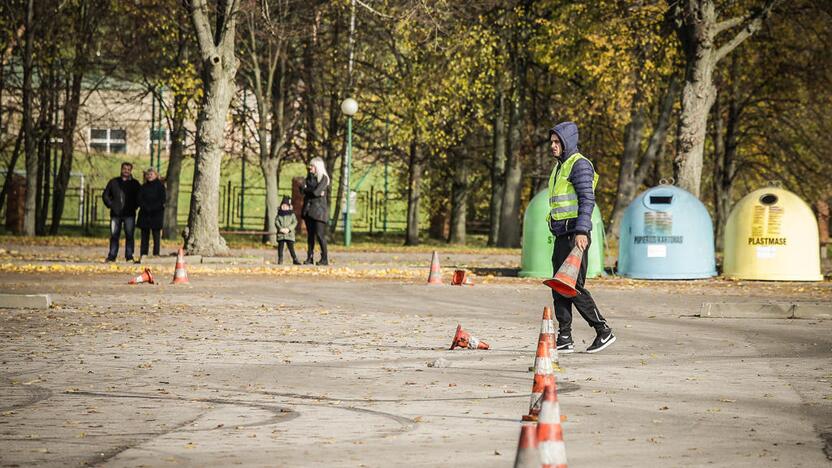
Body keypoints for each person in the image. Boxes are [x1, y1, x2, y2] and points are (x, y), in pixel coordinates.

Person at [547, 121, 615, 354]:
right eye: (552, 142)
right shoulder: (560, 167)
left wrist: (581, 231)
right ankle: (564, 336)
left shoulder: (580, 165)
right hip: (561, 235)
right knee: (559, 285)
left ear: (568, 142)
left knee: (572, 286)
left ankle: (603, 330)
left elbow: (587, 200)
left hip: (575, 236)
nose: (552, 146)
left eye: (557, 142)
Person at [102, 162, 141, 262]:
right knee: (114, 235)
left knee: (129, 235)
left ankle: (129, 256)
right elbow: (105, 195)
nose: (126, 171)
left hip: (129, 214)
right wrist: (111, 205)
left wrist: (135, 207)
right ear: (121, 169)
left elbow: (140, 197)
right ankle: (112, 256)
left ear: (131, 171)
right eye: (124, 169)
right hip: (115, 214)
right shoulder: (113, 182)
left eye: (128, 169)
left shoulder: (135, 184)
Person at [302, 157, 330, 265]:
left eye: (312, 166)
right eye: (310, 165)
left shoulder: (324, 178)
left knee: (320, 235)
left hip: (319, 212)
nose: (310, 168)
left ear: (318, 167)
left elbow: (316, 193)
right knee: (310, 235)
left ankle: (324, 258)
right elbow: (302, 189)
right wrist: (309, 190)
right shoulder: (309, 178)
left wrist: (307, 190)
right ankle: (310, 257)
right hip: (308, 210)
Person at [137, 167, 166, 258]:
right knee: (144, 237)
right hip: (145, 214)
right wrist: (145, 207)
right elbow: (139, 199)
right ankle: (143, 254)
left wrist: (153, 208)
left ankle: (156, 254)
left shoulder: (160, 186)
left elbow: (162, 200)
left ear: (156, 175)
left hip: (156, 214)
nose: (149, 176)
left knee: (156, 237)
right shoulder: (143, 186)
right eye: (148, 174)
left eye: (151, 174)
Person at [275, 196, 301, 265]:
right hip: (281, 234)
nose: (284, 207)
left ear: (289, 207)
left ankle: (295, 259)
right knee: (280, 248)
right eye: (283, 206)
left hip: (289, 234)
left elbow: (295, 222)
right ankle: (280, 259)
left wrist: (289, 229)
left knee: (291, 248)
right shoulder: (279, 215)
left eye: (286, 206)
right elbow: (276, 222)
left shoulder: (292, 214)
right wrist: (280, 228)